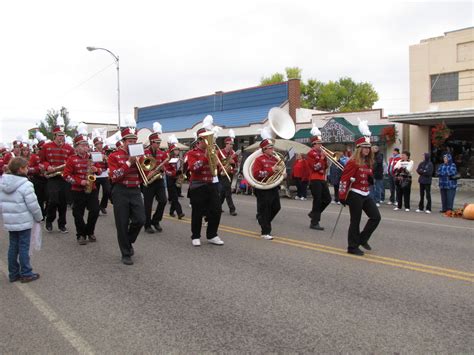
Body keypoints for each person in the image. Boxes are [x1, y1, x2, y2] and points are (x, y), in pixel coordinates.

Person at [0, 157, 43, 282]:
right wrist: (39, 217)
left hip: (10, 220)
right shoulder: (26, 184)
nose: (28, 169)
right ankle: (26, 272)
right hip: (23, 220)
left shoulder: (3, 182)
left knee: (13, 246)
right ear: (20, 169)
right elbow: (33, 204)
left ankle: (13, 273)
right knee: (24, 246)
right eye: (26, 167)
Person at [108, 127, 146, 265]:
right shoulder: (114, 156)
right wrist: (129, 162)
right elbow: (114, 176)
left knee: (140, 219)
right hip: (120, 191)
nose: (133, 143)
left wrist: (148, 168)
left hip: (135, 190)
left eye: (135, 140)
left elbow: (144, 174)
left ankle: (128, 241)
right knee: (122, 223)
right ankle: (125, 253)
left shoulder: (140, 155)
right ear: (123, 142)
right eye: (130, 141)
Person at [339, 137, 381, 256]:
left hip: (365, 193)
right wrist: (342, 195)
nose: (367, 150)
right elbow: (344, 179)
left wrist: (370, 179)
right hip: (355, 193)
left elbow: (367, 177)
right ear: (359, 149)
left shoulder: (368, 162)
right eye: (364, 147)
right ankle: (352, 246)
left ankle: (362, 239)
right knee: (355, 221)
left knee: (376, 217)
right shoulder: (352, 162)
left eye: (368, 147)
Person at [187, 127, 224, 247]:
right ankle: (196, 236)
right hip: (198, 185)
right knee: (197, 212)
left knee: (216, 210)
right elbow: (193, 168)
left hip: (211, 184)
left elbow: (214, 171)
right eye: (206, 139)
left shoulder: (214, 152)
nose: (209, 141)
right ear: (199, 140)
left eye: (210, 139)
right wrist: (205, 157)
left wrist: (218, 165)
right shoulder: (192, 153)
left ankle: (212, 235)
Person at [63, 134, 102, 245]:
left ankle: (89, 231)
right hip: (77, 190)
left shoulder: (92, 157)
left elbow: (100, 169)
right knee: (78, 214)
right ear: (77, 147)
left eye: (86, 145)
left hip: (92, 188)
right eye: (83, 145)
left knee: (95, 210)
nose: (86, 147)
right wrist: (80, 182)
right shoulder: (72, 159)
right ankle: (80, 234)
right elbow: (66, 176)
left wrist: (96, 169)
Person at [40, 126, 75, 233]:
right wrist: (47, 167)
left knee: (63, 202)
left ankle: (62, 224)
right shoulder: (46, 146)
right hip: (52, 177)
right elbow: (42, 161)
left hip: (64, 177)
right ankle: (49, 220)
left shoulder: (69, 148)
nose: (61, 137)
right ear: (54, 136)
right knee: (53, 200)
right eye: (59, 135)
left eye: (63, 135)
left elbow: (72, 161)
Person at [252, 138, 281, 240]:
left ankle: (262, 220)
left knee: (277, 207)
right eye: (270, 148)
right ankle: (265, 232)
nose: (272, 149)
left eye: (272, 147)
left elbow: (279, 171)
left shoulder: (275, 159)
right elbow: (256, 174)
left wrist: (283, 174)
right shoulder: (259, 159)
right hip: (262, 187)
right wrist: (271, 170)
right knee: (265, 209)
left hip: (273, 186)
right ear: (264, 149)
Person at [142, 131, 168, 234]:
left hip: (159, 180)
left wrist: (162, 169)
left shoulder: (162, 153)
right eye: (157, 142)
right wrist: (148, 173)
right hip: (148, 181)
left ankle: (156, 220)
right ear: (151, 142)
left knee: (163, 200)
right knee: (148, 205)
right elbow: (142, 166)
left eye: (159, 142)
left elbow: (164, 166)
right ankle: (147, 225)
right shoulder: (144, 153)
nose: (159, 144)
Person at [306, 135, 331, 231]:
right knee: (317, 200)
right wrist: (322, 157)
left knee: (327, 199)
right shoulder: (310, 154)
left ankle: (313, 213)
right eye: (319, 143)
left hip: (321, 178)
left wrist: (325, 158)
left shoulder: (320, 153)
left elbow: (324, 167)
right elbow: (315, 167)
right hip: (314, 179)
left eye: (321, 143)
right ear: (314, 144)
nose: (321, 145)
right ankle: (314, 222)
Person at [219, 135, 239, 216]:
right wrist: (223, 166)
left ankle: (218, 206)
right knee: (228, 191)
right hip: (222, 174)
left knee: (223, 192)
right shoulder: (220, 152)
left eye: (232, 144)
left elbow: (236, 163)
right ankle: (232, 209)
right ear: (226, 144)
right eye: (230, 144)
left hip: (230, 173)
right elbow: (217, 162)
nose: (231, 146)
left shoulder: (233, 153)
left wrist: (233, 162)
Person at [28, 141, 48, 219]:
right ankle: (42, 214)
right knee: (39, 198)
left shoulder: (47, 156)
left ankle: (46, 212)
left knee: (49, 198)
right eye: (41, 148)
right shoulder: (34, 156)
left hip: (47, 179)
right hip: (38, 179)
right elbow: (29, 169)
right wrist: (38, 169)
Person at [164, 142, 184, 219]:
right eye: (176, 150)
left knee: (174, 197)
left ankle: (171, 211)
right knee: (175, 197)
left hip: (176, 179)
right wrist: (175, 173)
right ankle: (180, 213)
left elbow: (180, 169)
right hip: (170, 179)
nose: (177, 151)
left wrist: (180, 173)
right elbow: (167, 171)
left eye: (178, 150)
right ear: (172, 151)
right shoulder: (168, 159)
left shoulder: (178, 159)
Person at [93, 137, 111, 215]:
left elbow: (109, 164)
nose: (100, 145)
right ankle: (96, 207)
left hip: (104, 174)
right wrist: (101, 157)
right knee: (95, 193)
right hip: (96, 175)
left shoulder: (105, 152)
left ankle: (102, 206)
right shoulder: (92, 153)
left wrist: (107, 160)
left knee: (107, 191)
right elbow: (92, 162)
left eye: (101, 143)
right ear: (95, 145)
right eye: (99, 144)